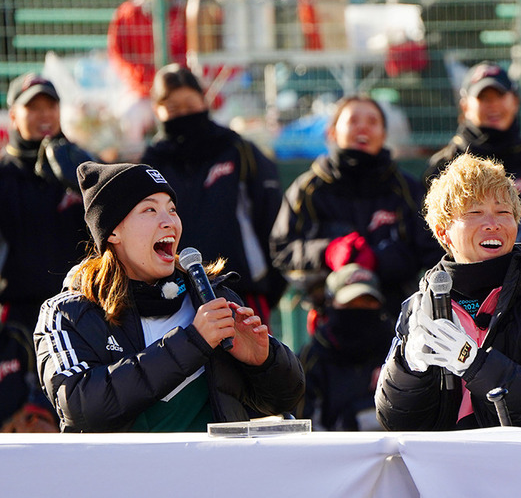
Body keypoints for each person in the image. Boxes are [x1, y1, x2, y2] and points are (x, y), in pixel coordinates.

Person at [34, 161, 304, 432]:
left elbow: (283, 401)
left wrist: (265, 361)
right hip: (120, 474)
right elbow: (80, 407)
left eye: (172, 209)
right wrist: (193, 342)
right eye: (150, 209)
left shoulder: (211, 297)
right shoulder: (67, 313)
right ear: (113, 231)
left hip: (215, 473)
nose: (169, 222)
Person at [376, 153, 521, 429]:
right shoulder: (418, 305)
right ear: (443, 233)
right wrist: (409, 370)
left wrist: (476, 364)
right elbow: (393, 421)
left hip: (520, 465)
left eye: (504, 212)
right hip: (440, 468)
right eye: (474, 212)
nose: (492, 223)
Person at [270, 94, 442, 318]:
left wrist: (378, 259)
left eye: (372, 122)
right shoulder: (308, 188)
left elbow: (432, 251)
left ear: (384, 134)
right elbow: (283, 249)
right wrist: (327, 252)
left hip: (398, 317)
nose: (363, 128)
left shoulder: (407, 188)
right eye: (353, 121)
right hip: (328, 315)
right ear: (331, 132)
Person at [141, 65, 286, 325]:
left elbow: (272, 217)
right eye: (173, 109)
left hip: (240, 287)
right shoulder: (150, 164)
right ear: (157, 111)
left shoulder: (237, 150)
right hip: (174, 293)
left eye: (189, 104)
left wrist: (270, 282)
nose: (183, 114)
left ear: (204, 100)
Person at [425, 61, 521, 263]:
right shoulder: (444, 164)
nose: (493, 105)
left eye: (500, 96)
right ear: (465, 105)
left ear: (515, 101)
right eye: (483, 97)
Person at [0, 74, 92, 331]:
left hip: (82, 305)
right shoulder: (5, 175)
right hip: (20, 315)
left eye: (50, 106)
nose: (44, 115)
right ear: (14, 116)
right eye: (33, 108)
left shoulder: (82, 163)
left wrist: (85, 185)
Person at [107, 0, 189, 152]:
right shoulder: (127, 14)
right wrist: (148, 82)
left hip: (180, 90)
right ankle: (135, 173)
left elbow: (193, 56)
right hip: (141, 92)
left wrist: (176, 85)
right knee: (129, 117)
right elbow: (120, 58)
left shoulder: (188, 11)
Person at [295, 264, 395, 431]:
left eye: (368, 302)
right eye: (351, 304)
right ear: (331, 303)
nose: (360, 310)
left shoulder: (398, 352)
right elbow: (303, 428)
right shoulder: (311, 357)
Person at [0, 319, 58, 433]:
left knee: (44, 427)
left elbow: (45, 387)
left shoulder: (19, 338)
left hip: (22, 422)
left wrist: (32, 411)